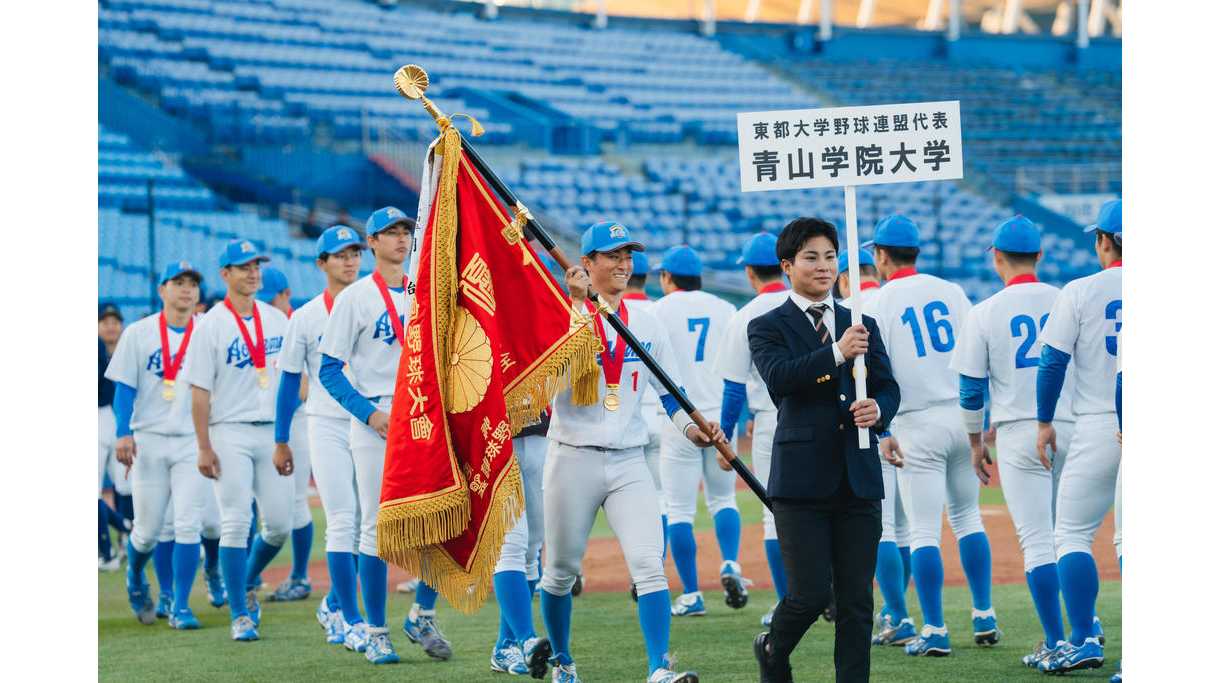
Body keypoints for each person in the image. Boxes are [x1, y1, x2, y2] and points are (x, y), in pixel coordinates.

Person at [529, 221, 713, 683]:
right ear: (586, 264)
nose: (623, 264)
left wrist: (691, 429)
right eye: (612, 256)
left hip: (629, 457)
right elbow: (548, 381)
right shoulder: (561, 313)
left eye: (628, 255)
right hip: (572, 456)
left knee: (650, 566)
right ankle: (564, 661)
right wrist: (575, 305)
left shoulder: (648, 319)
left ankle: (658, 669)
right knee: (560, 572)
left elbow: (671, 392)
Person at [747, 217, 900, 683]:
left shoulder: (862, 322)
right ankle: (774, 646)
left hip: (858, 475)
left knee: (856, 601)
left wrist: (880, 410)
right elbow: (780, 379)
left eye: (831, 257)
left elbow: (889, 387)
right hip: (800, 480)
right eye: (811, 257)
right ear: (787, 266)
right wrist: (836, 353)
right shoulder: (766, 325)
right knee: (811, 594)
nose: (823, 266)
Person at [319, 207, 453, 664]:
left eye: (405, 231)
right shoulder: (355, 298)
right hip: (376, 419)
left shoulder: (428, 289)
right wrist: (368, 413)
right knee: (376, 529)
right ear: (371, 243)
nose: (400, 238)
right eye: (389, 233)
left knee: (439, 520)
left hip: (426, 416)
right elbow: (329, 370)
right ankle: (376, 630)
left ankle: (422, 613)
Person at [948, 216, 1079, 668]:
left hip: (1021, 429)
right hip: (1074, 425)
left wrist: (974, 442)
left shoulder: (984, 311)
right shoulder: (1067, 297)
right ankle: (1088, 630)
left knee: (1039, 541)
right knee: (1075, 536)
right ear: (1040, 255)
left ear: (996, 257)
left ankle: (1058, 642)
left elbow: (969, 390)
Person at [865, 214, 998, 656]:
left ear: (882, 256)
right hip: (961, 418)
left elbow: (872, 372)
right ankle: (983, 613)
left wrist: (882, 426)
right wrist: (981, 423)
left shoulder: (879, 302)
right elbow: (976, 359)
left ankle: (936, 628)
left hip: (916, 422)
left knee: (922, 531)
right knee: (967, 519)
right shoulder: (952, 291)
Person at [184, 239, 292, 642]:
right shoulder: (210, 324)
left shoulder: (276, 319)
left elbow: (291, 379)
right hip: (228, 430)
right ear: (225, 274)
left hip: (270, 432)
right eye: (242, 266)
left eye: (256, 265)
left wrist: (284, 435)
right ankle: (239, 614)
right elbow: (199, 392)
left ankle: (242, 580)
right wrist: (203, 445)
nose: (252, 272)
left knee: (279, 523)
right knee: (235, 521)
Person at [1035, 199, 1122, 674]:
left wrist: (1044, 419)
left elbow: (1052, 361)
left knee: (1071, 533)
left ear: (1104, 240)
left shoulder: (1082, 288)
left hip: (1098, 421)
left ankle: (1084, 637)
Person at [106, 260, 212, 629]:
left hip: (190, 440)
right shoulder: (139, 332)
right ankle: (135, 574)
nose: (187, 289)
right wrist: (123, 431)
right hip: (149, 438)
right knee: (149, 530)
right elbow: (125, 388)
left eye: (192, 283)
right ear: (162, 290)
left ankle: (179, 603)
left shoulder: (208, 330)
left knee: (187, 525)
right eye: (178, 282)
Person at [274, 226, 366, 646]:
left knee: (373, 524)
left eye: (354, 253)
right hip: (326, 424)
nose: (349, 261)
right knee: (343, 520)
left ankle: (332, 603)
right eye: (339, 254)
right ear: (321, 264)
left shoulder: (376, 303)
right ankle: (351, 619)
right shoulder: (307, 315)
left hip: (370, 423)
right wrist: (280, 438)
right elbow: (289, 382)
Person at [651, 245, 747, 617]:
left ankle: (692, 593)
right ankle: (730, 565)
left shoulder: (659, 310)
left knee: (679, 509)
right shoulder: (725, 308)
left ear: (667, 278)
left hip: (681, 419)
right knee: (724, 500)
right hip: (722, 414)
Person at [834, 248, 913, 646]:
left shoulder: (854, 310)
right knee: (911, 528)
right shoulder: (922, 292)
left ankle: (899, 614)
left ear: (844, 276)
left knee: (883, 530)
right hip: (927, 415)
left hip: (882, 426)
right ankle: (899, 610)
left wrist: (882, 429)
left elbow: (865, 378)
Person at [714, 232, 790, 628]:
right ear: (785, 265)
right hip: (825, 418)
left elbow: (733, 388)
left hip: (773, 421)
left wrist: (724, 438)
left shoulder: (745, 314)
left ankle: (786, 602)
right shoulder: (812, 302)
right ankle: (829, 591)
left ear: (748, 272)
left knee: (774, 514)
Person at [258, 266, 315, 603]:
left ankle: (300, 576)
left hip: (297, 422)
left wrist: (278, 418)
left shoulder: (300, 322)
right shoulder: (260, 327)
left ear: (285, 295)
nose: (265, 306)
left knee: (295, 503)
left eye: (271, 300)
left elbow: (303, 387)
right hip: (263, 424)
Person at [490, 413, 550, 676]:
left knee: (531, 547)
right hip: (495, 437)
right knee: (510, 545)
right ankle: (526, 639)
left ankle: (506, 645)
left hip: (540, 432)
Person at [622, 249, 665, 602]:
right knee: (663, 503)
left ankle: (579, 573)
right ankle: (654, 569)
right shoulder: (654, 313)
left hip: (628, 417)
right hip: (661, 417)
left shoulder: (625, 314)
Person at [99, 302, 130, 571]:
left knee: (126, 485)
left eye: (115, 321)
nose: (111, 326)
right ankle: (111, 545)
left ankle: (126, 538)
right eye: (105, 321)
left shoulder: (129, 348)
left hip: (120, 421)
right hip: (99, 417)